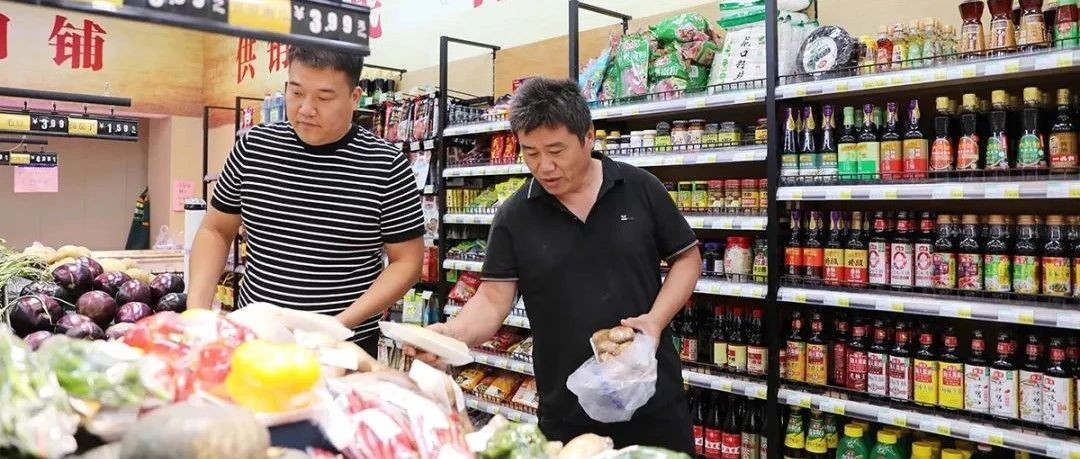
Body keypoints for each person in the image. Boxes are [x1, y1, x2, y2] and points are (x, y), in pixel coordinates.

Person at [408, 77, 700, 453]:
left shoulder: (640, 188)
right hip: (567, 412)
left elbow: (686, 258)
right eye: (530, 153)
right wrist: (451, 335)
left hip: (654, 398)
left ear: (588, 136)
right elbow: (493, 300)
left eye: (556, 150)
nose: (544, 167)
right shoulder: (514, 216)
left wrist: (656, 320)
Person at [188, 46, 425, 356]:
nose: (306, 109)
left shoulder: (386, 165)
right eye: (296, 93)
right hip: (257, 340)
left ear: (355, 97)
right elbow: (216, 231)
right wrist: (197, 313)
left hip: (344, 347)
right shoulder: (253, 149)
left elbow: (407, 261)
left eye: (324, 98)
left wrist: (337, 326)